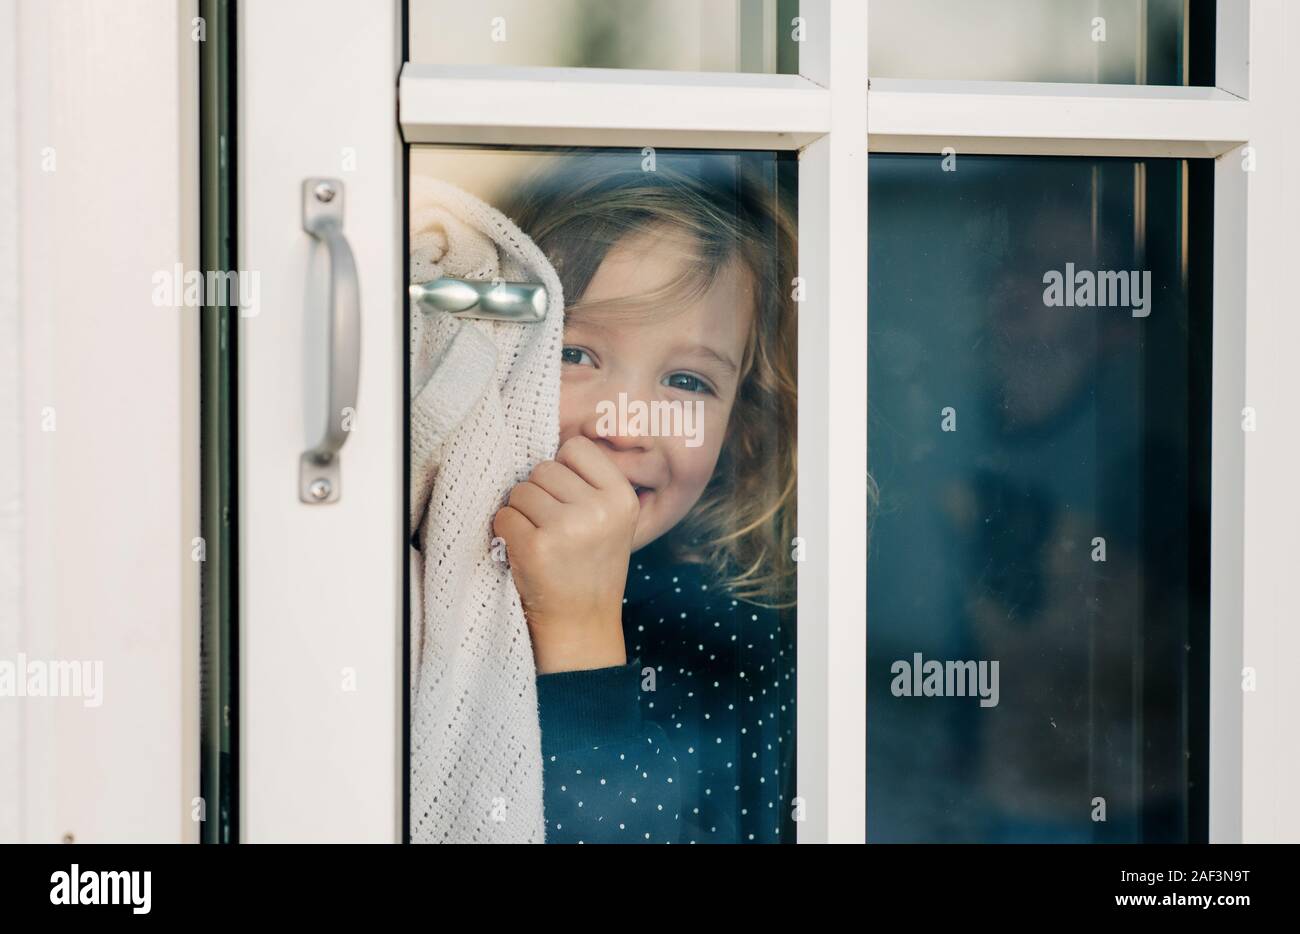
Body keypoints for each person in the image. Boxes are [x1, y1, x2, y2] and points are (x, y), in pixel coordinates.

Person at [491, 153, 798, 843]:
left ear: (743, 431)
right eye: (576, 354)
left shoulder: (724, 646)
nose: (624, 424)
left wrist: (577, 629)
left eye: (687, 382)